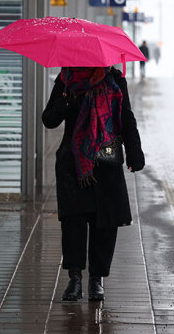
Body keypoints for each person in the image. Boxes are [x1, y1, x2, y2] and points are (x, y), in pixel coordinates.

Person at [42, 66, 145, 303]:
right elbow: (49, 120)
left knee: (105, 224)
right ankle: (75, 278)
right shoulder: (66, 79)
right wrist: (66, 101)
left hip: (106, 161)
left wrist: (134, 152)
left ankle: (97, 279)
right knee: (73, 222)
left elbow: (125, 116)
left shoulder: (115, 79)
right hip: (74, 164)